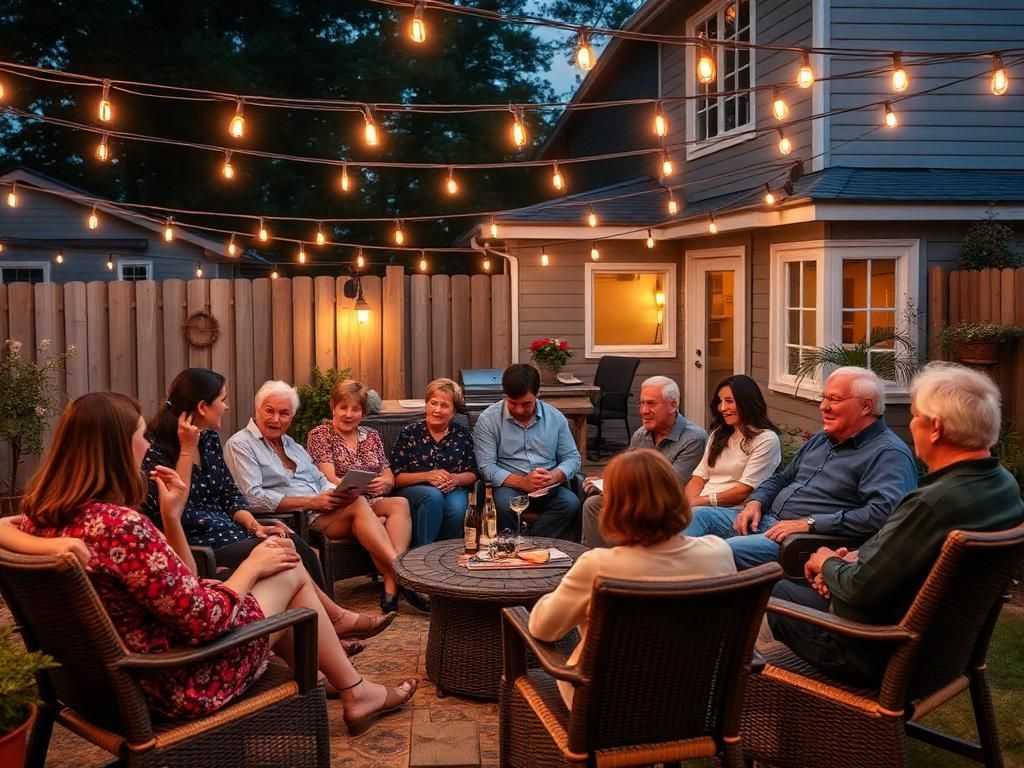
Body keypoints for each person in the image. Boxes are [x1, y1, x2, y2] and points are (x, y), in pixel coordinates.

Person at [0, 392, 417, 733]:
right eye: (140, 437)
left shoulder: (45, 515)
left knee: (280, 568)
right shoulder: (119, 526)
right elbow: (203, 620)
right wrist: (251, 566)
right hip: (177, 680)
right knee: (285, 566)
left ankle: (341, 680)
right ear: (116, 448)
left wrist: (170, 518)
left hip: (101, 687)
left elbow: (182, 581)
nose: (146, 447)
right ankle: (354, 688)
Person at [768, 362, 1024, 686]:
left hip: (870, 650)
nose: (911, 424)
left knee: (768, 592)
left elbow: (859, 591)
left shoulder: (933, 504)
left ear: (936, 429)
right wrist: (853, 559)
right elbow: (895, 564)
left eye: (915, 416)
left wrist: (827, 563)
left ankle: (768, 704)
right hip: (941, 651)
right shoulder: (1001, 484)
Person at [143, 368, 394, 649]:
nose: (226, 406)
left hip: (232, 530)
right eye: (222, 400)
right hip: (199, 542)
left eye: (284, 413)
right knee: (288, 552)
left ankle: (330, 627)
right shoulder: (159, 450)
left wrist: (255, 525)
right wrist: (187, 449)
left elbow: (230, 495)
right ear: (203, 407)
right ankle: (335, 624)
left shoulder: (210, 440)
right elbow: (176, 508)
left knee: (291, 542)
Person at [528, 448, 737, 707]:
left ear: (613, 507)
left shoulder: (598, 566)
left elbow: (542, 628)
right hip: (696, 704)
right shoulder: (718, 551)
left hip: (606, 708)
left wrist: (557, 593)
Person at [686, 367, 917, 569]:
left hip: (803, 541)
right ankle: (664, 585)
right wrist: (755, 502)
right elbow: (782, 479)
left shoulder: (887, 454)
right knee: (696, 516)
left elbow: (882, 514)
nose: (823, 407)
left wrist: (811, 523)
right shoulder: (822, 440)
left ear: (866, 406)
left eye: (834, 400)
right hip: (766, 520)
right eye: (823, 398)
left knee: (722, 552)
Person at [224, 380, 422, 615]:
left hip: (327, 507)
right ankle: (404, 576)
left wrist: (335, 492)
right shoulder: (241, 444)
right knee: (364, 509)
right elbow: (252, 497)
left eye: (284, 413)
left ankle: (391, 582)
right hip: (301, 516)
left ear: (292, 416)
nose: (277, 419)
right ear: (257, 409)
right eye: (270, 411)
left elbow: (320, 479)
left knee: (395, 504)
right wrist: (311, 502)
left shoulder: (291, 445)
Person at [581, 375, 707, 547]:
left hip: (666, 506)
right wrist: (606, 480)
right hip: (637, 498)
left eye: (651, 404)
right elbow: (627, 468)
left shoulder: (693, 439)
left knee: (609, 505)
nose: (644, 411)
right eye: (641, 403)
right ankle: (599, 557)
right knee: (592, 503)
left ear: (673, 405)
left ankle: (625, 559)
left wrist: (618, 491)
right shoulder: (642, 434)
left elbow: (671, 486)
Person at [473, 363, 582, 540]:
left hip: (549, 486)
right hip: (510, 485)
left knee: (571, 504)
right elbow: (486, 467)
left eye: (526, 404)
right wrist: (523, 482)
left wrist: (553, 476)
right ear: (505, 395)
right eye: (513, 403)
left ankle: (532, 543)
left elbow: (572, 458)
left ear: (538, 394)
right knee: (502, 505)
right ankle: (517, 545)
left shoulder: (556, 418)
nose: (519, 410)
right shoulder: (488, 420)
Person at [680, 375, 781, 534]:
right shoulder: (719, 434)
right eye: (720, 401)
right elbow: (699, 477)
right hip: (700, 508)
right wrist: (686, 503)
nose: (722, 408)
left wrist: (698, 503)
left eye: (729, 401)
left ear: (746, 402)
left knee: (691, 517)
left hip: (734, 512)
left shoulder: (766, 440)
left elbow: (743, 491)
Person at [390, 378, 479, 547]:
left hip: (453, 488)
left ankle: (438, 555)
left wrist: (457, 479)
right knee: (433, 497)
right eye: (433, 403)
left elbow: (473, 473)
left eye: (444, 405)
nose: (437, 410)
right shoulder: (410, 433)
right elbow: (396, 477)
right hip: (414, 491)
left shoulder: (462, 435)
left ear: (453, 412)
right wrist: (427, 476)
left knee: (459, 508)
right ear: (426, 404)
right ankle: (421, 553)